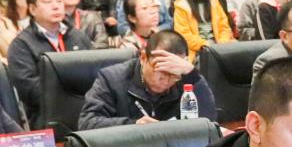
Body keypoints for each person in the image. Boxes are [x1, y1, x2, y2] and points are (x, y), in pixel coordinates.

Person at [80, 30, 218, 128]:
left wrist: (192, 74)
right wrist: (133, 125)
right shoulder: (111, 79)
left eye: (173, 75)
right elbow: (87, 123)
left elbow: (209, 122)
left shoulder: (186, 78)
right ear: (143, 58)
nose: (166, 80)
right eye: (161, 71)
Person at [5, 0, 94, 120]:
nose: (56, 6)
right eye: (48, 1)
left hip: (87, 112)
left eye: (59, 0)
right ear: (32, 9)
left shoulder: (78, 36)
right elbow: (30, 91)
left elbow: (95, 74)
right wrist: (72, 95)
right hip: (48, 117)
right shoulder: (21, 45)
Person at [171, 0, 235, 56]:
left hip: (219, 47)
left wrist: (222, 43)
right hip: (197, 50)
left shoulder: (214, 1)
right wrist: (207, 45)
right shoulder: (181, 6)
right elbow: (184, 35)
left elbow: (224, 27)